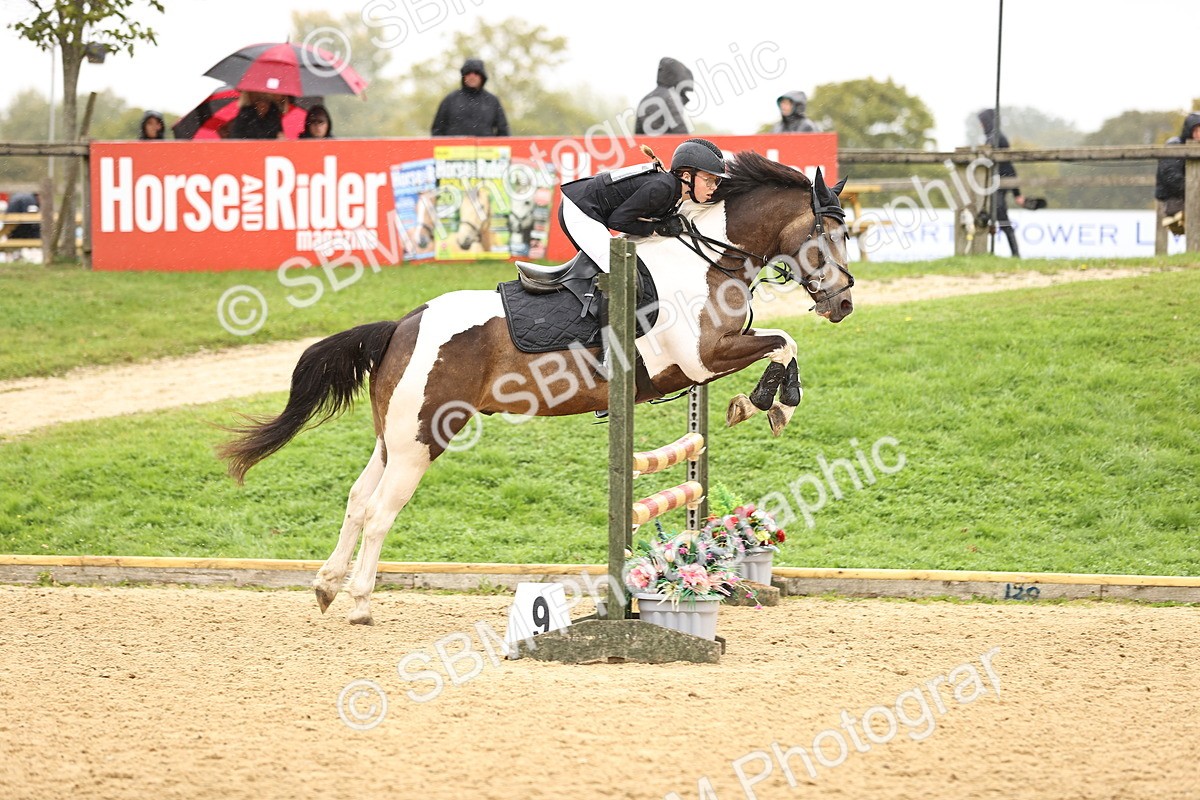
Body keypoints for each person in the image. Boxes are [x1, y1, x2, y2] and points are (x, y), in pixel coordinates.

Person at [558, 137, 726, 376]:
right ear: (687, 176)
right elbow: (618, 221)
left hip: (591, 208)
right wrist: (655, 228)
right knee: (622, 274)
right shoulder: (663, 188)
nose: (713, 187)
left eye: (717, 182)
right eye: (709, 180)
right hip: (580, 211)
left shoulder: (673, 190)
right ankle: (609, 356)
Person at [978, 108, 1027, 258]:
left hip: (999, 184)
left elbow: (1008, 166)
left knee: (1001, 218)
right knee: (995, 217)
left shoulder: (996, 138)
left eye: (981, 122)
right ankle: (1011, 253)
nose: (980, 125)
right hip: (995, 184)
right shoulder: (995, 136)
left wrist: (1016, 192)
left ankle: (1015, 253)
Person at [431, 58, 510, 137]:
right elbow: (437, 130)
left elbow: (503, 131)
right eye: (468, 73)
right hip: (455, 148)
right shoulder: (450, 100)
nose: (472, 76)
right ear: (464, 76)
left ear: (482, 76)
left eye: (476, 73)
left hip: (484, 149)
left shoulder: (492, 101)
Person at [1154, 111, 1200, 235]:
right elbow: (1171, 178)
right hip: (1177, 201)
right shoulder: (1175, 146)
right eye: (1196, 130)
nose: (1199, 134)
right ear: (1189, 131)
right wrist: (1194, 190)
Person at [634, 57, 694, 135]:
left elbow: (638, 135)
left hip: (649, 146)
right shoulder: (671, 97)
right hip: (667, 146)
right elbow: (680, 133)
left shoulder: (645, 99)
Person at [221, 92, 285, 140]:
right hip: (248, 148)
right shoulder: (245, 116)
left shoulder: (273, 116)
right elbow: (237, 135)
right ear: (256, 103)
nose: (264, 105)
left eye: (267, 102)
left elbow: (279, 133)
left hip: (269, 149)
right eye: (261, 102)